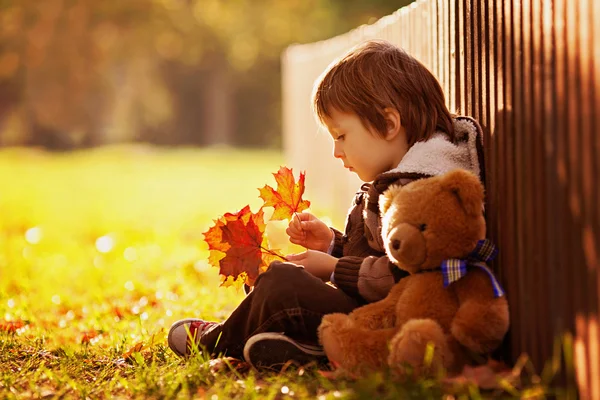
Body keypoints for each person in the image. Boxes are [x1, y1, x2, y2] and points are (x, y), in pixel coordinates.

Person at [167, 39, 487, 369]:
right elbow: (374, 259)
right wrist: (332, 244)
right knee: (272, 276)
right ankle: (303, 348)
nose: (337, 151)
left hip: (392, 325)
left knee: (282, 283)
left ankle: (217, 342)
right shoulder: (393, 180)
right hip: (367, 312)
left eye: (342, 136)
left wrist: (332, 267)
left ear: (389, 124)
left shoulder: (421, 189)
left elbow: (403, 277)